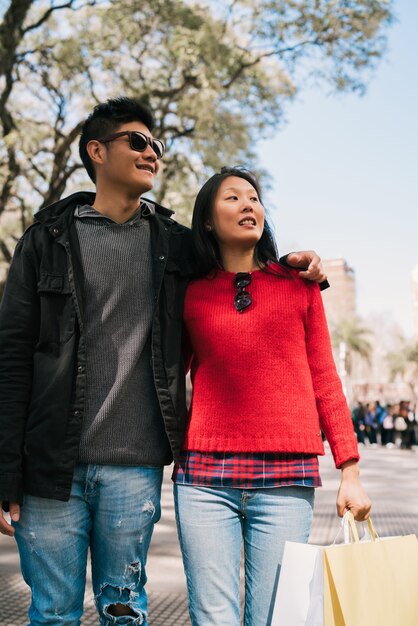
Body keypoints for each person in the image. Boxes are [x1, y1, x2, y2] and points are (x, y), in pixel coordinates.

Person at [0, 98, 325, 625]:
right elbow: (12, 357)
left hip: (136, 465)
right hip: (49, 467)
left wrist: (293, 263)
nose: (152, 151)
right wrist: (5, 471)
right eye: (138, 141)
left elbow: (239, 265)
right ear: (97, 151)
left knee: (124, 613)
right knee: (53, 614)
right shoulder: (45, 240)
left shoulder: (175, 246)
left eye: (157, 144)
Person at [173, 167, 371, 626]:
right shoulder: (188, 293)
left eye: (255, 198)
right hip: (204, 478)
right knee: (213, 618)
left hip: (286, 479)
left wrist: (350, 471)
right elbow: (165, 377)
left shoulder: (299, 285)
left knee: (271, 618)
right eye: (233, 198)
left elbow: (325, 377)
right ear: (206, 220)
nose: (249, 205)